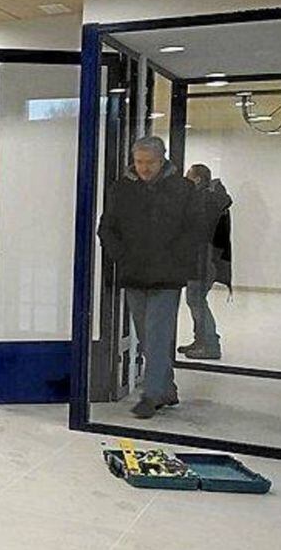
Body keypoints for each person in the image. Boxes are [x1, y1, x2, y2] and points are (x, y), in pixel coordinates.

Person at [98, 136, 200, 419]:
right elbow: (107, 227)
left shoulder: (182, 189)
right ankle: (167, 388)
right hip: (134, 273)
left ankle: (151, 394)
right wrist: (122, 256)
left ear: (162, 160)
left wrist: (176, 258)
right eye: (139, 162)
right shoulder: (122, 189)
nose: (143, 168)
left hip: (167, 276)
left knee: (156, 334)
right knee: (146, 335)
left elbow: (194, 230)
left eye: (149, 163)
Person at [177, 163, 233, 361]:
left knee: (196, 300)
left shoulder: (204, 200)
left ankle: (210, 344)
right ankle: (201, 340)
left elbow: (197, 231)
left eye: (188, 176)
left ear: (197, 179)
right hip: (206, 259)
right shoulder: (211, 199)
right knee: (196, 300)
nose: (185, 179)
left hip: (203, 260)